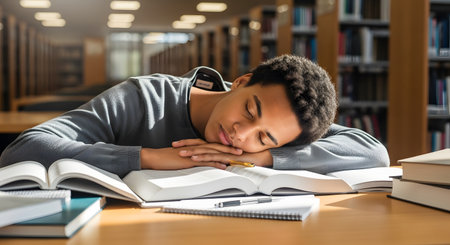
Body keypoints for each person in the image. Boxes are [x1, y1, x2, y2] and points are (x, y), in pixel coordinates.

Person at [0, 55, 389, 177]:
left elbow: (373, 153)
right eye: (250, 111)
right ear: (241, 81)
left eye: (265, 137)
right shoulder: (144, 97)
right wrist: (147, 157)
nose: (241, 134)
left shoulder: (287, 126)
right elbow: (23, 149)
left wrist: (258, 158)